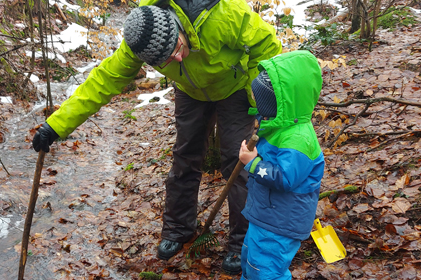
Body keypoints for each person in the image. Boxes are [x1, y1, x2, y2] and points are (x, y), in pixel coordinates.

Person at [33, 0, 281, 274]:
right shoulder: (139, 40)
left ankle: (241, 243)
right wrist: (55, 126)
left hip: (235, 86)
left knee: (239, 163)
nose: (176, 58)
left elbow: (267, 45)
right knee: (184, 157)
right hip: (190, 90)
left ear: (177, 26)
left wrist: (260, 96)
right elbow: (103, 81)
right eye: (165, 59)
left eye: (176, 47)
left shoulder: (223, 14)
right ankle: (178, 230)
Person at [237, 50, 325, 279]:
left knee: (265, 270)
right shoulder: (278, 126)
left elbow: (285, 179)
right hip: (265, 215)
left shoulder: (298, 140)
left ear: (284, 102)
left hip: (280, 222)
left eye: (263, 100)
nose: (258, 105)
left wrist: (253, 163)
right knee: (250, 261)